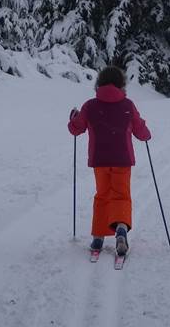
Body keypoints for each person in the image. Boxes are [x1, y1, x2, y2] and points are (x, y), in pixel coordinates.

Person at [68, 66, 151, 256]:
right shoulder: (128, 105)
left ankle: (98, 237)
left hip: (100, 160)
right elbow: (140, 131)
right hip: (122, 160)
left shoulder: (90, 106)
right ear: (121, 84)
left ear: (100, 83)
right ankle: (121, 228)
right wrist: (146, 133)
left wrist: (73, 118)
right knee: (121, 195)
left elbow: (76, 129)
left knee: (102, 194)